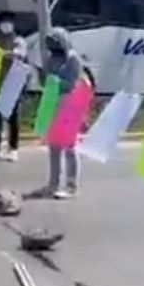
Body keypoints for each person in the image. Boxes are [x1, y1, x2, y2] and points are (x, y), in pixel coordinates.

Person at [41, 28, 84, 199]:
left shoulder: (73, 59)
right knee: (54, 146)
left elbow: (72, 83)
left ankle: (71, 186)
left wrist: (56, 81)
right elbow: (48, 79)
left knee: (69, 147)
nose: (53, 50)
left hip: (69, 102)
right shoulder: (52, 59)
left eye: (56, 45)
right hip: (53, 101)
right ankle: (53, 183)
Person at [0, 11, 27, 161]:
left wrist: (5, 54)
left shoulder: (18, 40)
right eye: (3, 22)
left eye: (8, 21)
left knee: (13, 118)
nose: (5, 25)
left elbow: (19, 54)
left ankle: (13, 148)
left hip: (12, 84)